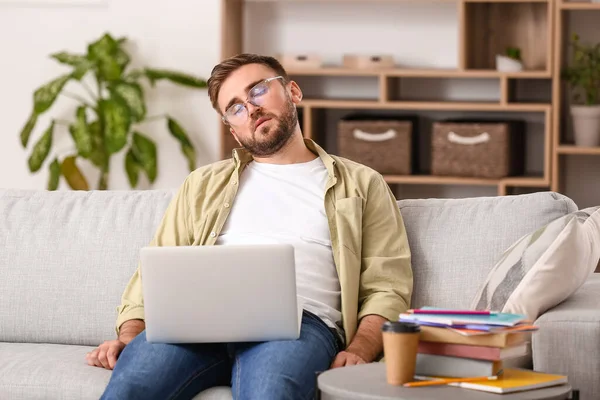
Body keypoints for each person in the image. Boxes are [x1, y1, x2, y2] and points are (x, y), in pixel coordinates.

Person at [88, 53, 413, 400]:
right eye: (236, 107)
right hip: (196, 323)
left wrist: (361, 349)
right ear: (232, 129)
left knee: (270, 392)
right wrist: (129, 335)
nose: (251, 108)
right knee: (130, 387)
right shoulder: (201, 185)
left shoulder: (361, 183)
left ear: (293, 92)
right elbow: (150, 274)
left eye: (257, 91)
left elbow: (387, 285)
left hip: (299, 326)